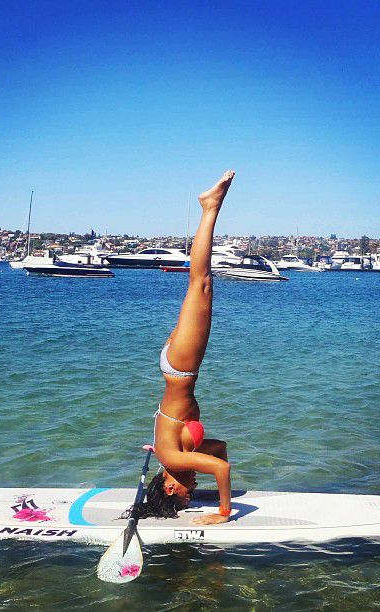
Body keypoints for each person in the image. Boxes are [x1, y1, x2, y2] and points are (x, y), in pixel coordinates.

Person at [133, 170, 236, 526]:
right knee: (200, 286)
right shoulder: (173, 458)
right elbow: (219, 451)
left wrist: (223, 512)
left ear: (171, 488)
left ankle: (210, 208)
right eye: (195, 491)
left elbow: (220, 468)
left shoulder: (174, 461)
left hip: (181, 368)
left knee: (201, 283)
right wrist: (195, 458)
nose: (193, 488)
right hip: (175, 366)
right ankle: (210, 208)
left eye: (188, 492)